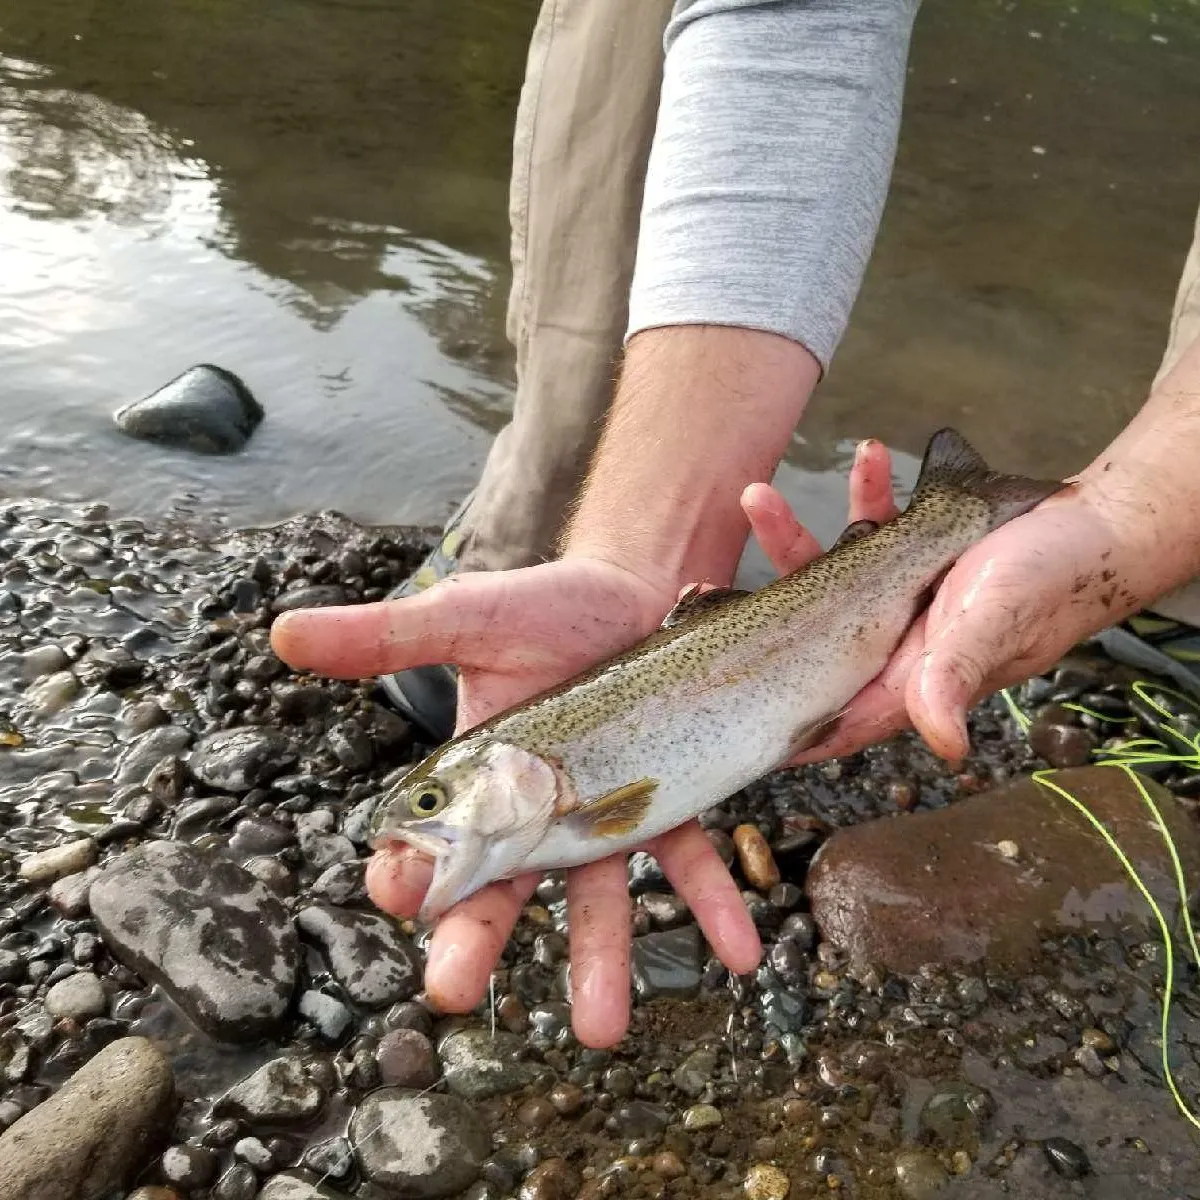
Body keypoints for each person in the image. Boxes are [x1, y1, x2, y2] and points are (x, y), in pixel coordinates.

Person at [271, 0, 1200, 1049]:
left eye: (436, 801)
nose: (424, 829)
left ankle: (1159, 567)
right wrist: (638, 546)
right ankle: (567, 527)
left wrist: (1140, 519)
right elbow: (792, 23)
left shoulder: (576, 801)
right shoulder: (562, 803)